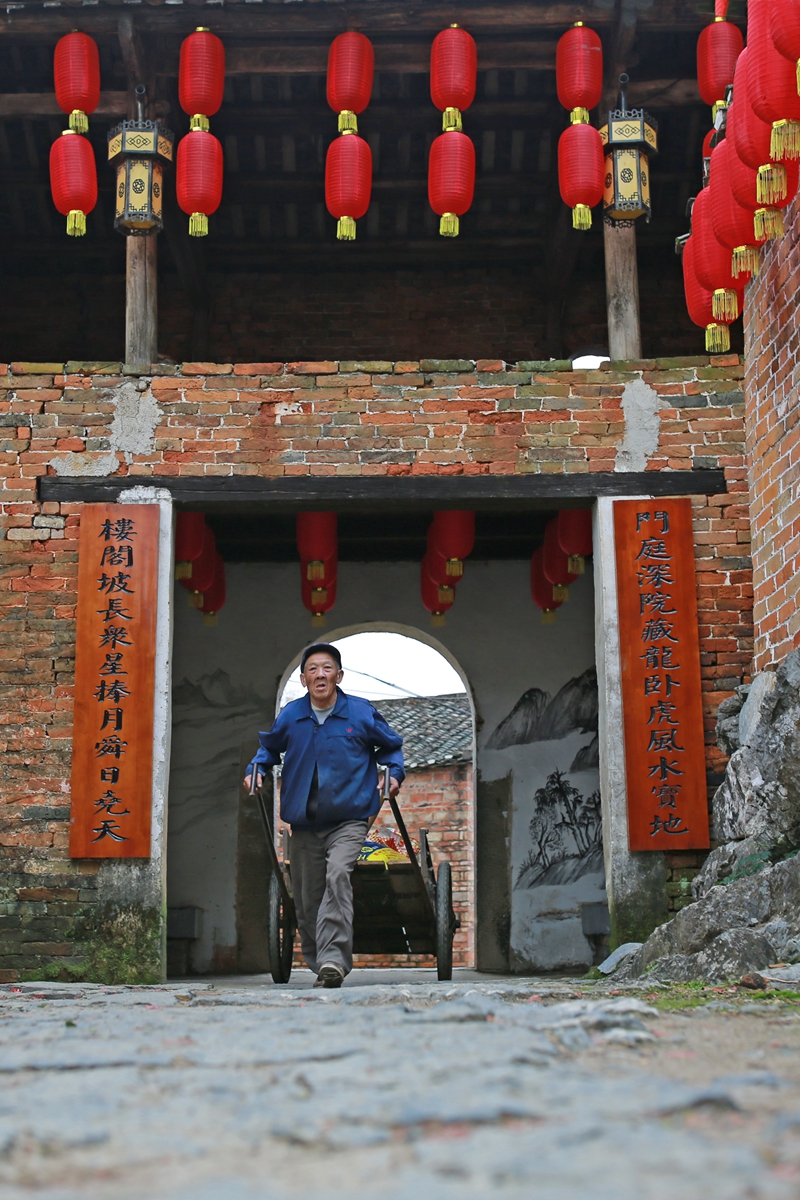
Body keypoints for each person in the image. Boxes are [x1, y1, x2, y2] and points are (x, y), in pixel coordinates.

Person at [244, 643, 405, 989]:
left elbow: (391, 747)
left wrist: (392, 772)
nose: (320, 674)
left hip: (349, 819)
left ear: (339, 676)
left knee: (337, 876)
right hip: (304, 824)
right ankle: (322, 964)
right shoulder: (292, 715)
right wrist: (256, 769)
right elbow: (268, 750)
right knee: (306, 898)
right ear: (303, 680)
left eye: (327, 668)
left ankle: (334, 960)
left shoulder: (360, 714)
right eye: (313, 669)